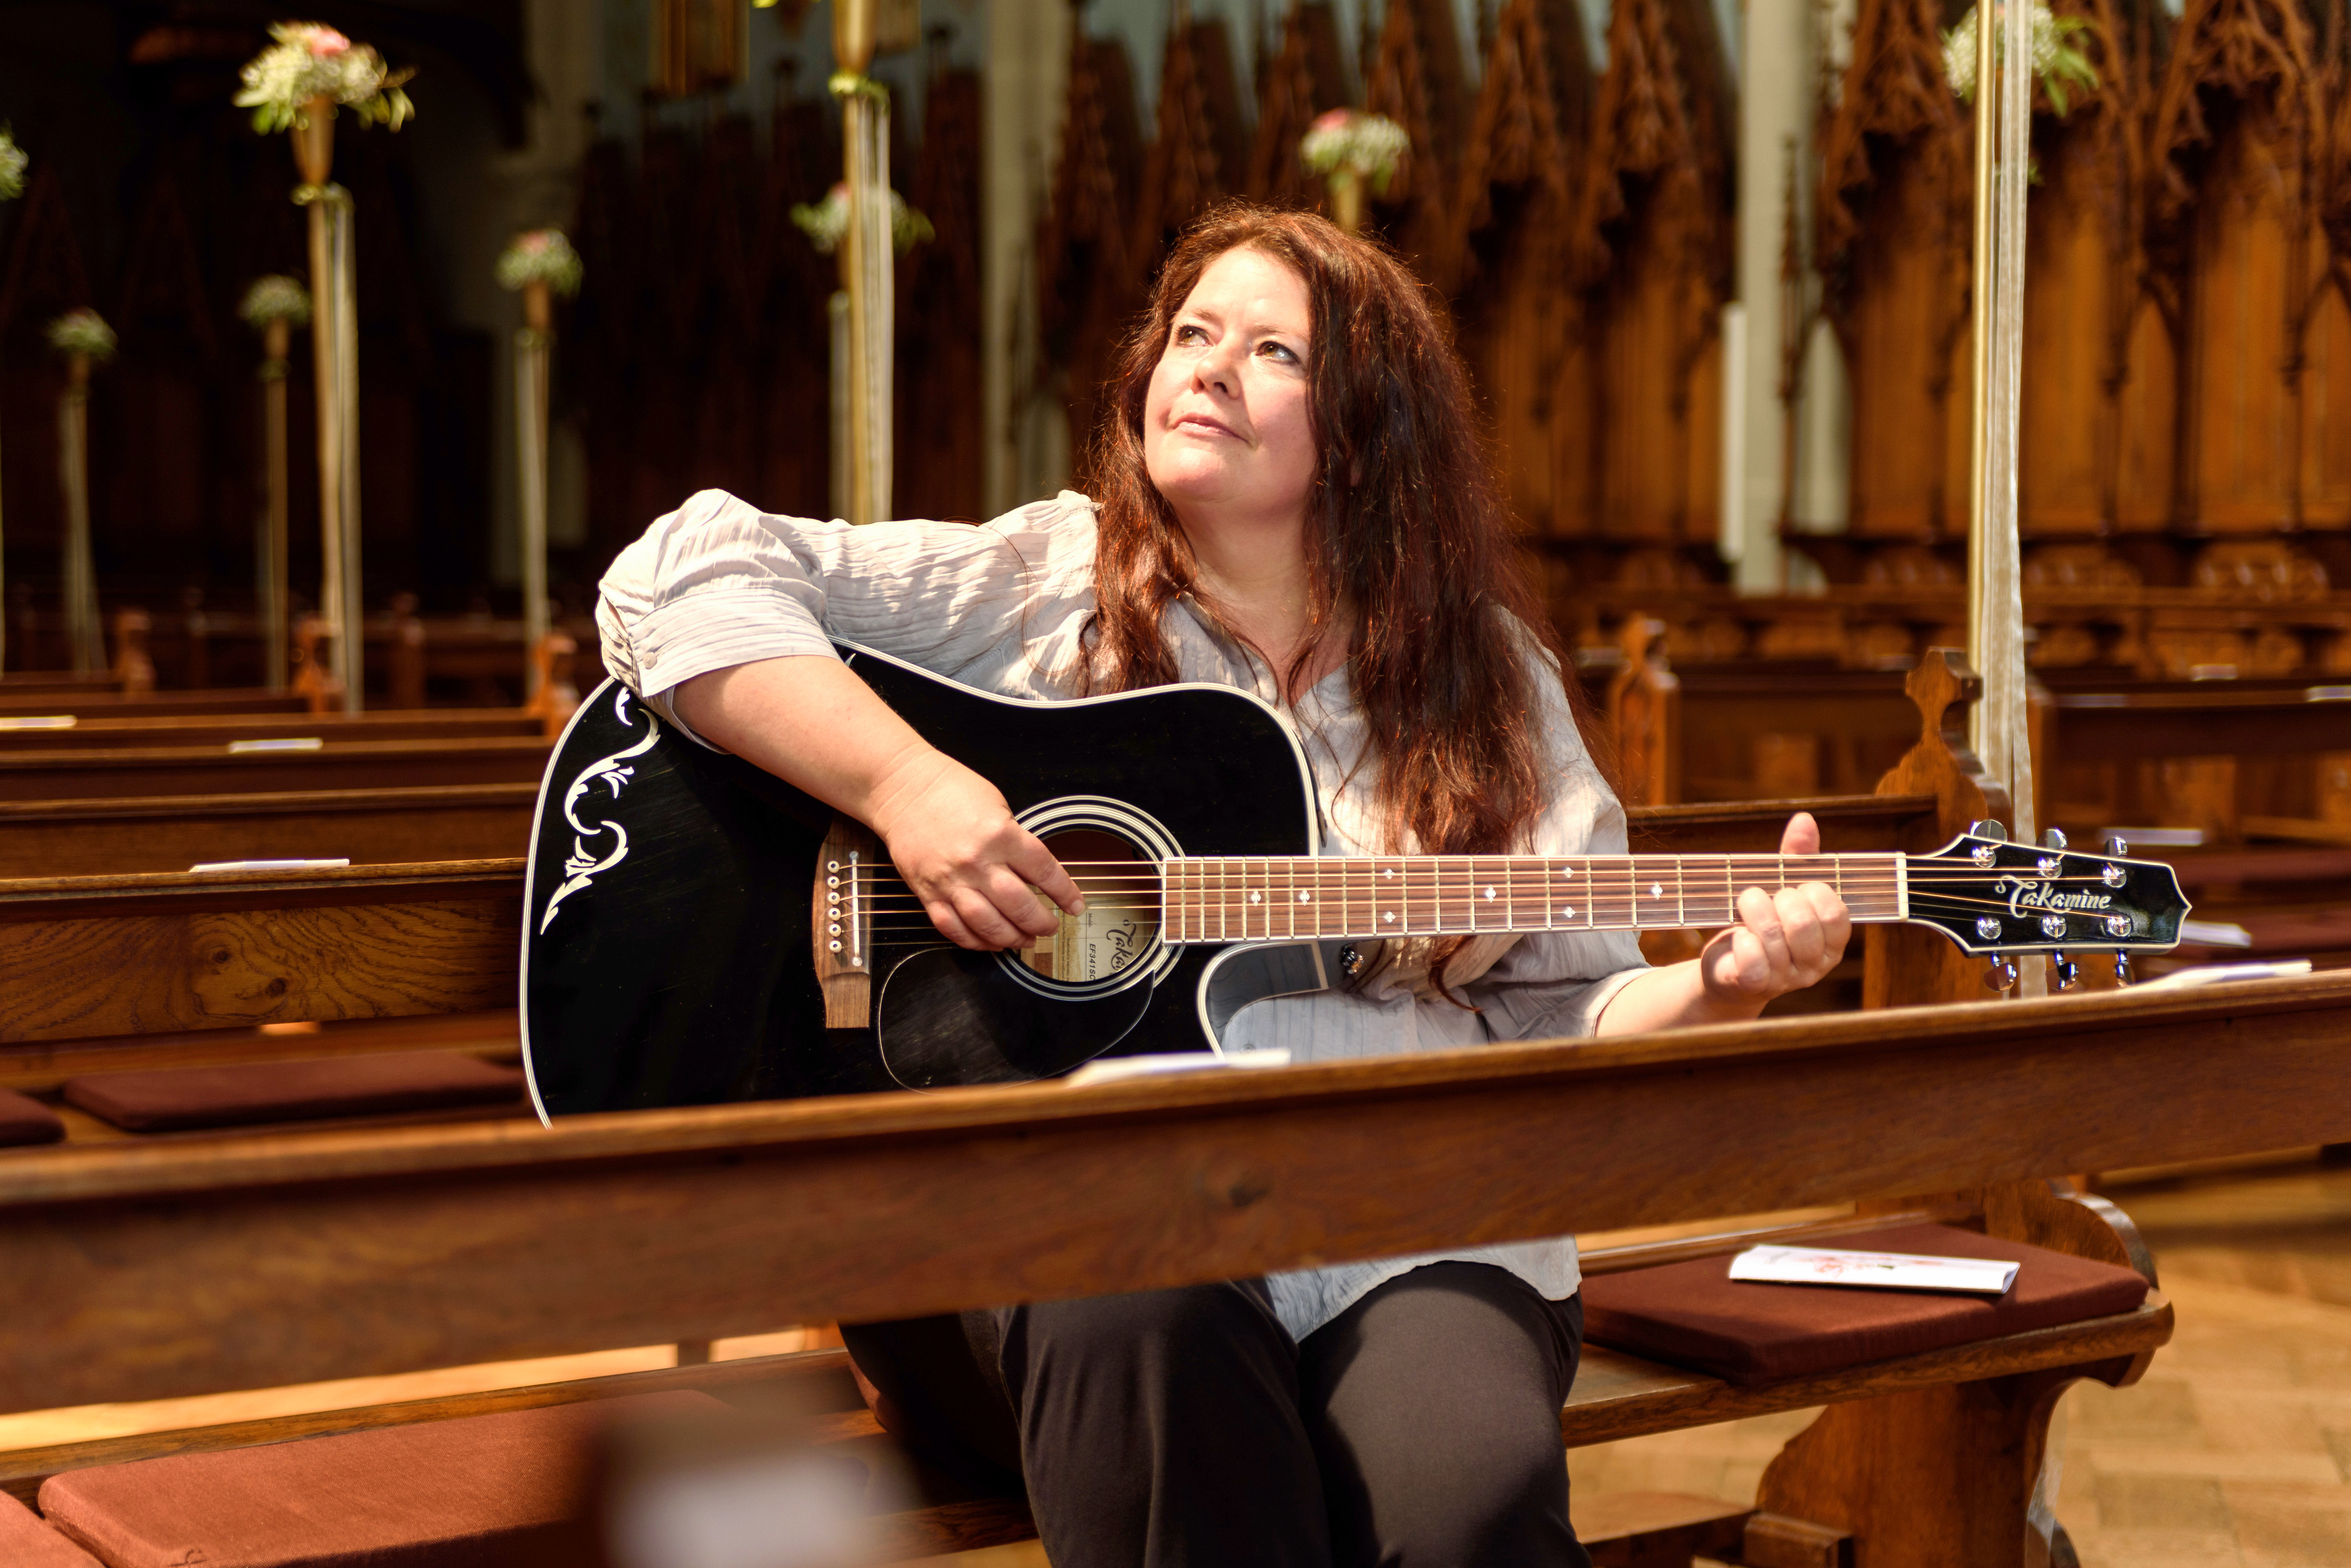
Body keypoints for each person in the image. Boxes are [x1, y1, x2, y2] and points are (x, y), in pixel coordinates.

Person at [595, 201, 1850, 1568]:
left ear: (1369, 430)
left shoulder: (1482, 676)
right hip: (1037, 1229)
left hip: (1400, 1220)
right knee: (1147, 1313)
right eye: (1190, 334)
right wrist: (903, 785)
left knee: (1466, 1510)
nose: (1204, 365)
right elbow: (674, 572)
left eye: (1273, 352)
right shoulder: (1037, 585)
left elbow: (1566, 1021)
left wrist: (1726, 983)